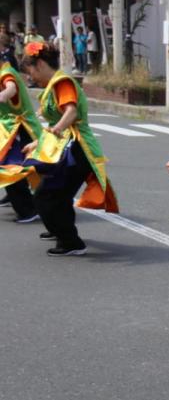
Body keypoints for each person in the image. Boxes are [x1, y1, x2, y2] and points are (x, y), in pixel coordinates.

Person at [19, 42, 119, 256]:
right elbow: (59, 124)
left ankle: (69, 240)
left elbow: (71, 112)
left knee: (47, 195)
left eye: (31, 72)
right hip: (69, 147)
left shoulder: (62, 83)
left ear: (40, 64)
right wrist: (38, 143)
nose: (31, 77)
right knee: (57, 195)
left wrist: (56, 130)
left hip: (78, 148)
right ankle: (62, 232)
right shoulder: (55, 84)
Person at [0, 47, 44, 223]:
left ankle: (28, 209)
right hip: (12, 129)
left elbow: (10, 88)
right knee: (16, 167)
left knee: (11, 168)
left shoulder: (6, 74)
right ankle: (21, 200)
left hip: (21, 129)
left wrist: (3, 95)